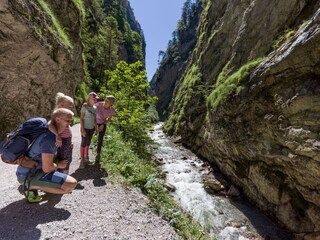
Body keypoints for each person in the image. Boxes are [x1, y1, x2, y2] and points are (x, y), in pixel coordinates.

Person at [15, 108, 78, 203]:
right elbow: (47, 169)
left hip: (34, 170)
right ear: (57, 120)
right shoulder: (49, 139)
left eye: (71, 121)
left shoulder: (51, 133)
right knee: (70, 185)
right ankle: (28, 186)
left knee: (66, 184)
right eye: (67, 121)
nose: (70, 124)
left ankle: (38, 185)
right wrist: (59, 165)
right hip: (28, 175)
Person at [55, 92, 74, 174]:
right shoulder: (58, 114)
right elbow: (54, 126)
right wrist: (58, 136)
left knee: (68, 158)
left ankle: (65, 175)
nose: (70, 109)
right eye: (69, 107)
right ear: (62, 105)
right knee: (64, 159)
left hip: (67, 140)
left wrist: (70, 141)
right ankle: (62, 177)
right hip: (63, 140)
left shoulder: (64, 114)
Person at [95, 95, 116, 164]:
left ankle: (98, 154)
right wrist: (95, 126)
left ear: (111, 103)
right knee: (88, 137)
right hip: (94, 122)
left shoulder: (112, 110)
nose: (105, 102)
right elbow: (92, 113)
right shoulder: (98, 105)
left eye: (107, 101)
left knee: (100, 139)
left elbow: (109, 119)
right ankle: (85, 154)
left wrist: (103, 124)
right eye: (105, 100)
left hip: (102, 124)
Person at [80, 92, 98, 168]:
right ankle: (82, 160)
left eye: (96, 99)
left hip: (91, 128)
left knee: (88, 143)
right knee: (83, 143)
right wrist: (82, 129)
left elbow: (95, 119)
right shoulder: (84, 106)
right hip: (85, 128)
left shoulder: (95, 108)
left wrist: (96, 128)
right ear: (89, 99)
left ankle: (86, 157)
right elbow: (81, 118)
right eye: (94, 98)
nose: (95, 100)